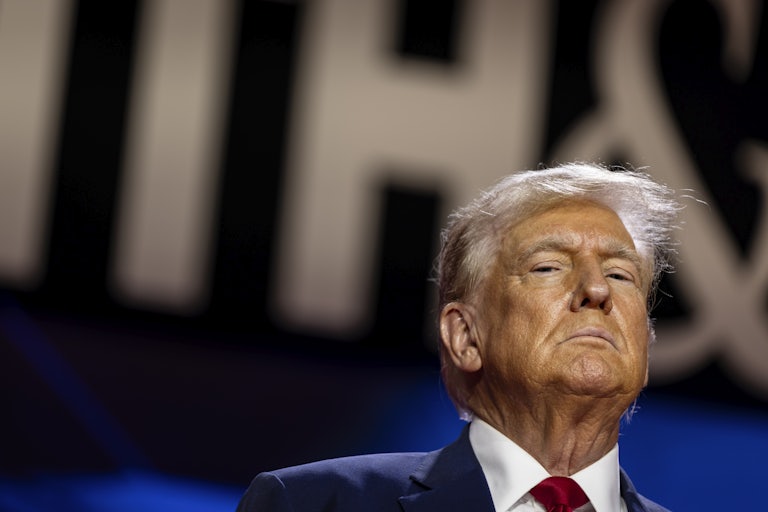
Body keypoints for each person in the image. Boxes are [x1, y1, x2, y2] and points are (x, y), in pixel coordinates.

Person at [236, 162, 681, 512]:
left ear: (646, 346)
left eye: (621, 274)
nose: (597, 290)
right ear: (465, 336)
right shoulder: (315, 504)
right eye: (548, 267)